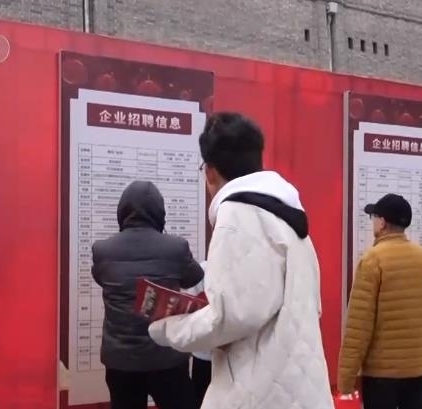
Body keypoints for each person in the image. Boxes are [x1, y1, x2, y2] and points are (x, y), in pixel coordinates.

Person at [147, 112, 334, 409]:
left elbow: (231, 316)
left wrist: (167, 327)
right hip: (298, 387)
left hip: (259, 393)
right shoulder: (287, 218)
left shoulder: (236, 215)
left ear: (210, 171)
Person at [91, 180, 204, 409]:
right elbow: (194, 277)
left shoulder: (102, 250)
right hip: (167, 356)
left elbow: (102, 279)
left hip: (121, 360)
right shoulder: (176, 247)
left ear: (122, 211)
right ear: (159, 212)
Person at [338, 193, 422, 409]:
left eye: (373, 217)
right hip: (417, 369)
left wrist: (346, 380)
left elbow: (359, 327)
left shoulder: (372, 260)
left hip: (381, 374)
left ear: (382, 222)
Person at [180, 260, 210, 408]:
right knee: (201, 399)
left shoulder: (246, 271)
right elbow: (188, 306)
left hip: (236, 353)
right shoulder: (203, 270)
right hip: (205, 353)